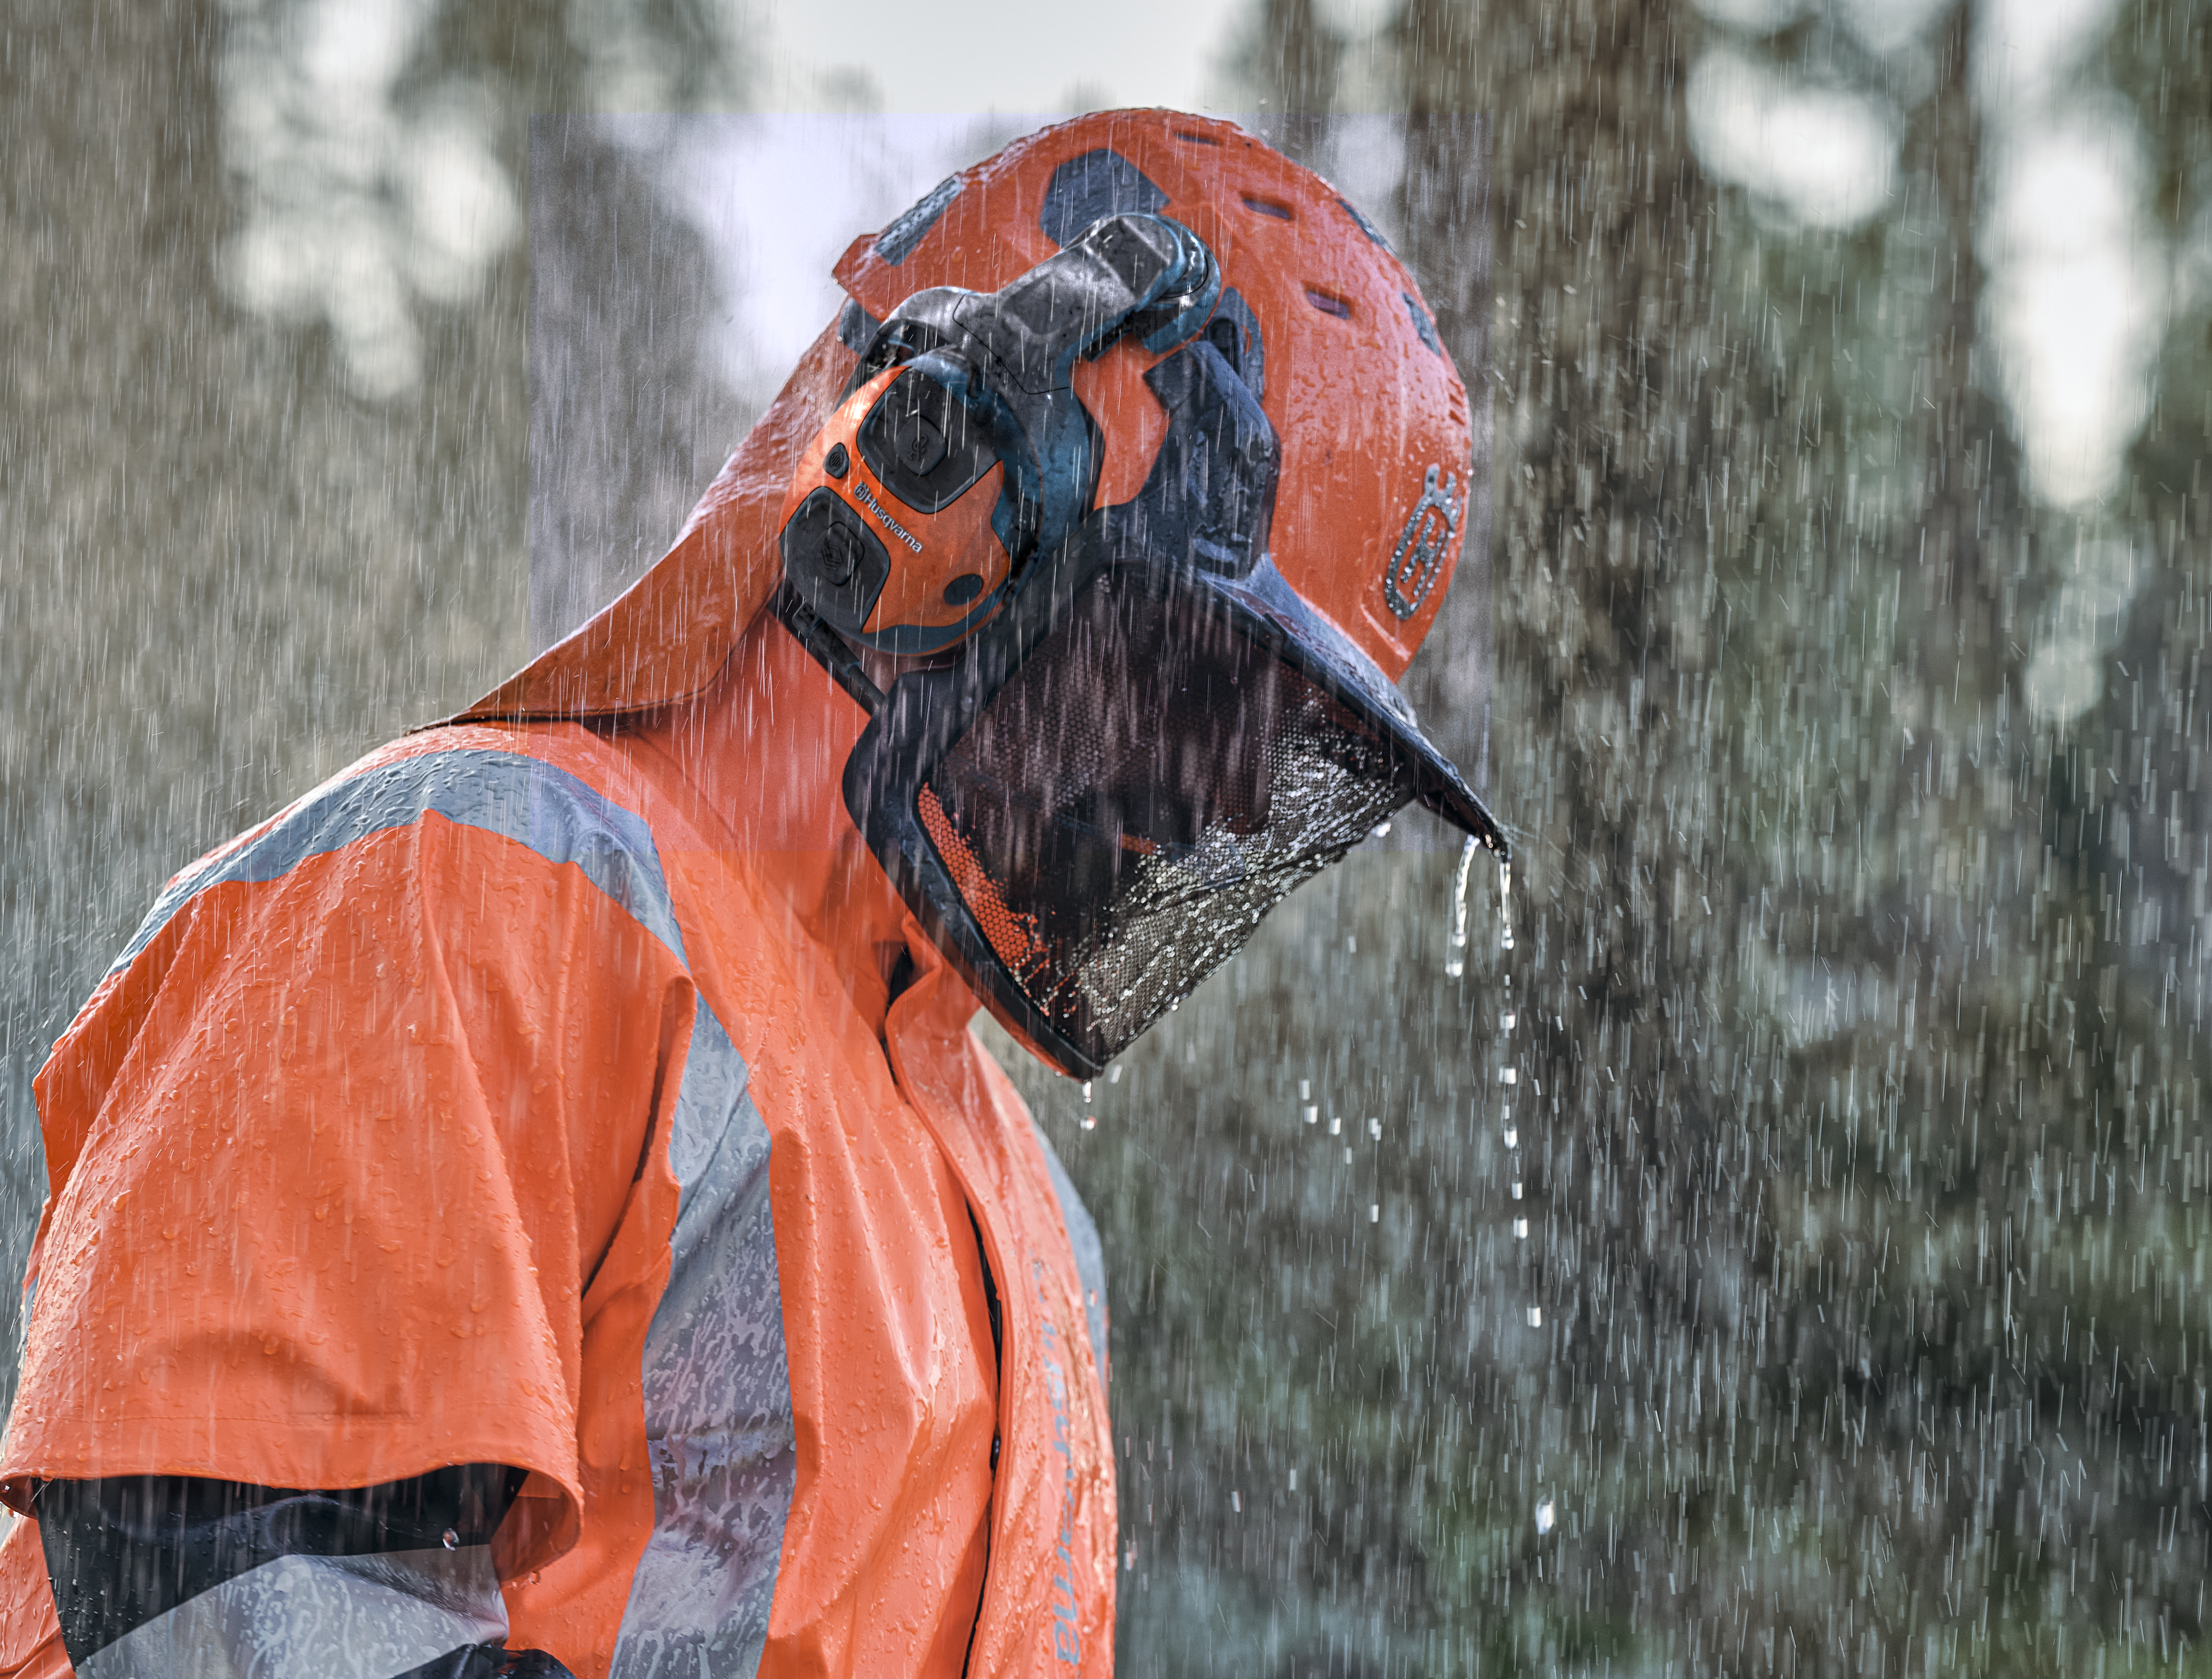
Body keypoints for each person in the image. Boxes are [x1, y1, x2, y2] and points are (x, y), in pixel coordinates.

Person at [0, 110, 1504, 1679]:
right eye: (1203, 695)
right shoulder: (461, 887)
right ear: (941, 477)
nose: (1218, 797)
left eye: (1266, 750)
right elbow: (207, 1609)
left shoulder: (1027, 1222)